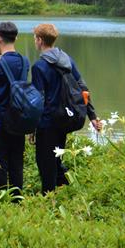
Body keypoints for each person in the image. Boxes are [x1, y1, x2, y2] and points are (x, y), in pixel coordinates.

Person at [31, 23, 102, 194]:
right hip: (65, 118)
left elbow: (38, 100)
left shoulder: (39, 66)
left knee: (45, 161)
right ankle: (66, 191)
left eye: (35, 38)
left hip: (48, 122)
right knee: (56, 157)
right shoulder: (67, 59)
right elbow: (82, 87)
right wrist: (92, 115)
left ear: (39, 40)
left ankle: (49, 198)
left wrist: (32, 127)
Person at [0, 22, 29, 194]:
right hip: (20, 119)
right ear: (16, 38)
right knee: (17, 161)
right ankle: (18, 196)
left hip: (1, 119)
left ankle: (1, 197)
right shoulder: (24, 61)